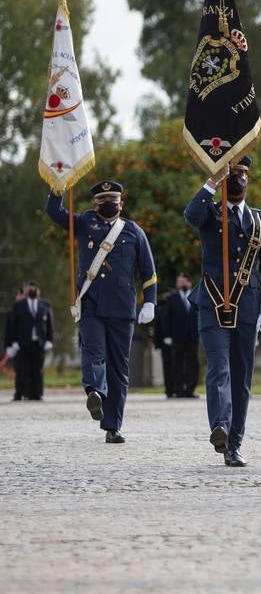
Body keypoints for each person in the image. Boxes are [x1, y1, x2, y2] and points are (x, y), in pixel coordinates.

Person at [46, 180, 158, 442]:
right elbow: (54, 212)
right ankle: (95, 391)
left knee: (119, 369)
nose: (108, 204)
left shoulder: (133, 232)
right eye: (101, 201)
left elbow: (149, 272)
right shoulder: (84, 224)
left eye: (113, 200)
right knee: (93, 351)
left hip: (122, 309)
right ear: (94, 205)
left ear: (121, 204)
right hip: (91, 304)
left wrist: (150, 302)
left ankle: (112, 426)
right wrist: (58, 189)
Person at [184, 156, 261, 466]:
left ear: (249, 178)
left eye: (241, 173)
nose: (236, 177)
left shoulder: (260, 221)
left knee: (241, 377)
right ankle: (220, 427)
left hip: (249, 306)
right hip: (212, 302)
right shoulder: (210, 213)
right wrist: (211, 181)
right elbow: (190, 215)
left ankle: (234, 444)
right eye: (231, 173)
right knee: (218, 367)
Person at [6, 280, 54, 401]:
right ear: (27, 291)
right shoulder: (19, 305)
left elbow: (50, 324)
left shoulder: (45, 304)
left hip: (39, 342)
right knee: (25, 369)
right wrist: (13, 342)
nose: (32, 291)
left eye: (34, 289)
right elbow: (14, 325)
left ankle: (38, 394)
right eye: (30, 289)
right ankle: (27, 393)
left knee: (38, 369)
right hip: (24, 342)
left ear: (39, 291)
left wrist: (50, 339)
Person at [156, 274, 200, 398]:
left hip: (193, 336)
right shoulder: (173, 298)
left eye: (183, 282)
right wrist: (167, 335)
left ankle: (190, 389)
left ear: (189, 282)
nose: (181, 284)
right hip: (177, 336)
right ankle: (178, 388)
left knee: (193, 362)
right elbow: (166, 317)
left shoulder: (196, 296)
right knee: (177, 362)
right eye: (179, 282)